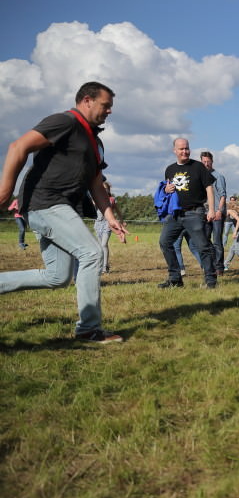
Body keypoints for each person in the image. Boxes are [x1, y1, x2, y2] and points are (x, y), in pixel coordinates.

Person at [0, 81, 128, 343]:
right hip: (46, 202)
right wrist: (5, 192)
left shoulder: (95, 140)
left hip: (59, 207)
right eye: (106, 105)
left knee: (57, 277)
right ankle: (89, 330)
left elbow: (95, 182)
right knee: (92, 254)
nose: (109, 111)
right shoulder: (65, 122)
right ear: (87, 100)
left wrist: (111, 217)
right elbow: (18, 147)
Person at [158, 138, 217, 289]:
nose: (184, 151)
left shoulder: (198, 166)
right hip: (175, 214)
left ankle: (211, 280)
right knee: (165, 242)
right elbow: (167, 189)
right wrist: (166, 190)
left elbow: (209, 188)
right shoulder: (169, 169)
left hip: (194, 212)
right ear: (175, 151)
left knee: (202, 246)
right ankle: (175, 279)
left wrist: (211, 209)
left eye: (187, 148)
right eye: (181, 149)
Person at [200, 151, 227, 275]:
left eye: (208, 162)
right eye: (204, 162)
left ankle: (219, 267)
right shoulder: (200, 176)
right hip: (205, 212)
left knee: (217, 240)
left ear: (212, 161)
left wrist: (219, 211)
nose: (206, 164)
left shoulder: (218, 176)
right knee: (204, 240)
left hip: (217, 212)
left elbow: (222, 195)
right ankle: (210, 264)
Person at [94, 180, 124, 274]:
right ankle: (101, 265)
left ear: (108, 190)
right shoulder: (96, 198)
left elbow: (118, 211)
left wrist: (121, 221)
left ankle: (105, 267)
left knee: (104, 245)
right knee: (99, 247)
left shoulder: (112, 199)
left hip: (108, 224)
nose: (104, 190)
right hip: (97, 224)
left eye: (106, 189)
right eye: (102, 189)